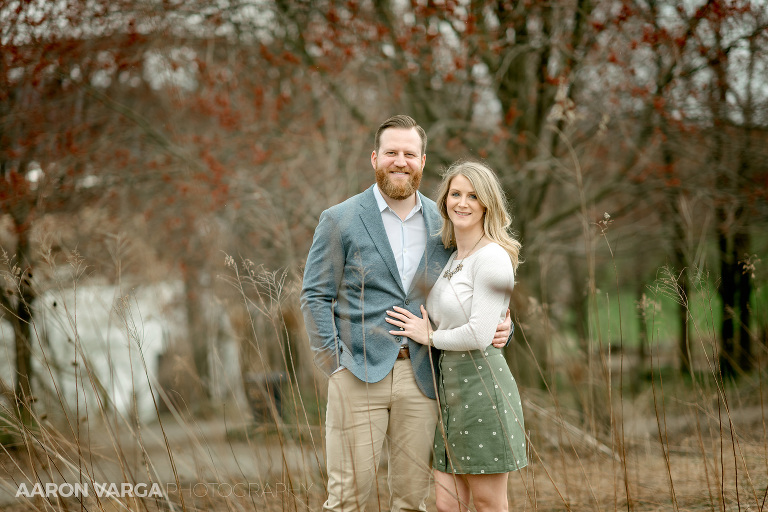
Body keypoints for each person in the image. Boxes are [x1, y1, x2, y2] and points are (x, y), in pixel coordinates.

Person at [301, 115, 511, 512]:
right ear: (375, 158)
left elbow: (473, 285)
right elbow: (314, 295)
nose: (401, 161)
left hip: (423, 377)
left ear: (423, 161)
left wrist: (505, 325)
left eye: (409, 154)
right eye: (392, 153)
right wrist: (333, 364)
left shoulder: (445, 221)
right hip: (356, 374)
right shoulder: (340, 219)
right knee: (346, 498)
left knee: (412, 501)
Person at [385, 160, 526, 512]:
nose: (462, 202)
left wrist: (428, 335)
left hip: (483, 386)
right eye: (456, 193)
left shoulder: (492, 256)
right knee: (448, 503)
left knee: (487, 502)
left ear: (487, 204)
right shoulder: (451, 256)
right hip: (449, 390)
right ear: (445, 199)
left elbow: (480, 334)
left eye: (473, 196)